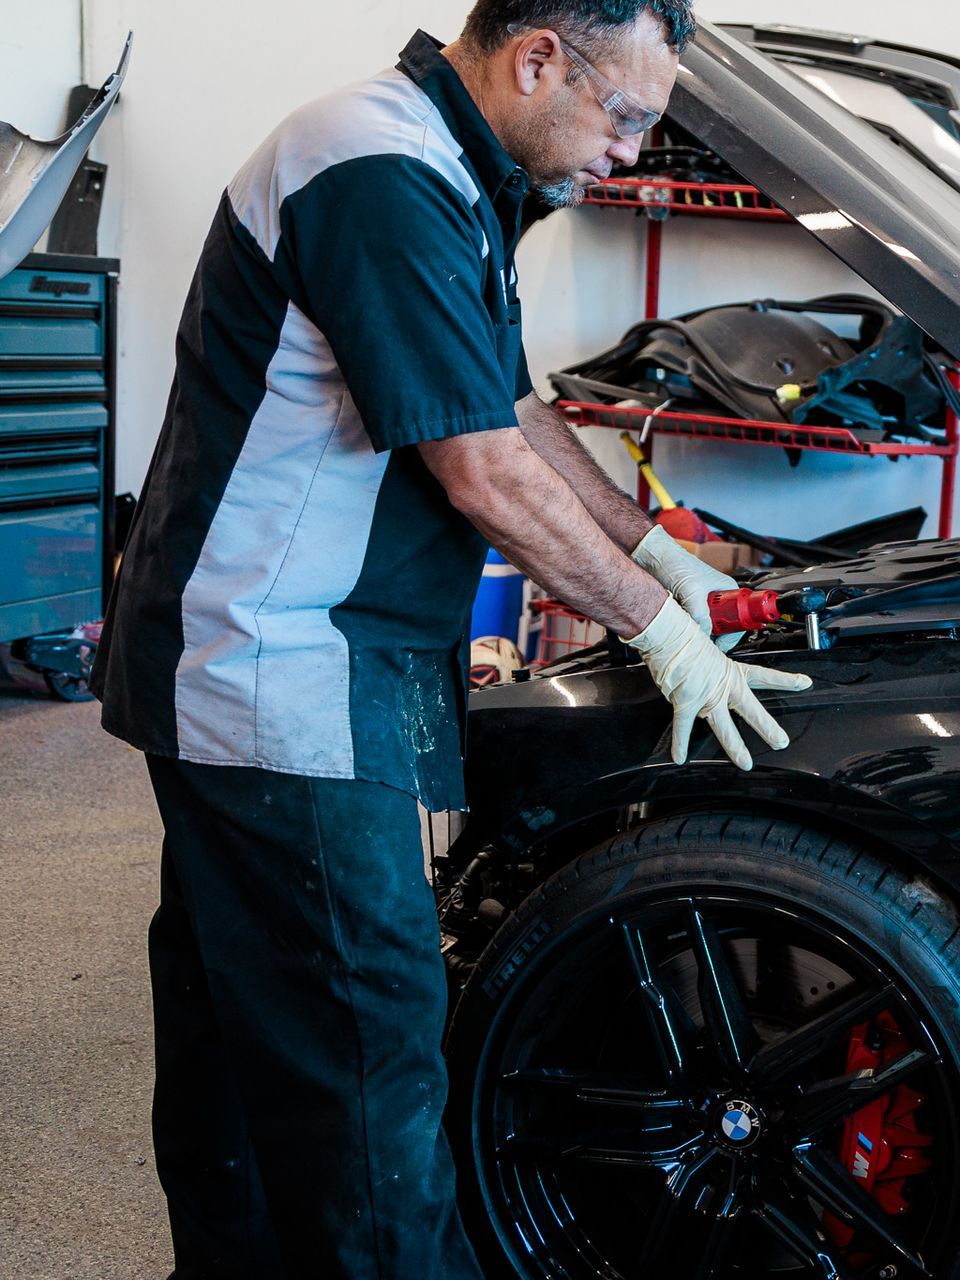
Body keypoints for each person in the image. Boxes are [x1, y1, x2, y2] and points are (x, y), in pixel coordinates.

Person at [88, 3, 802, 1274]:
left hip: (288, 653)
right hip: (276, 671)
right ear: (539, 59)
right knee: (367, 1059)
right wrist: (661, 634)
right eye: (626, 115)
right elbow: (478, 466)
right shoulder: (376, 166)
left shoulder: (450, 170)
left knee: (243, 1036)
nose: (632, 150)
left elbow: (511, 411)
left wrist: (651, 549)